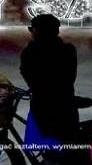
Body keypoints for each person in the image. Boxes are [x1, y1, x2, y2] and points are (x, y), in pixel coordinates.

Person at [20, 14, 80, 160]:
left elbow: (27, 73)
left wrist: (35, 88)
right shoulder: (68, 50)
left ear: (38, 31)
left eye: (32, 29)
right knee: (64, 146)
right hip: (66, 105)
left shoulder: (31, 51)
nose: (31, 32)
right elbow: (69, 78)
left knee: (48, 145)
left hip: (43, 107)